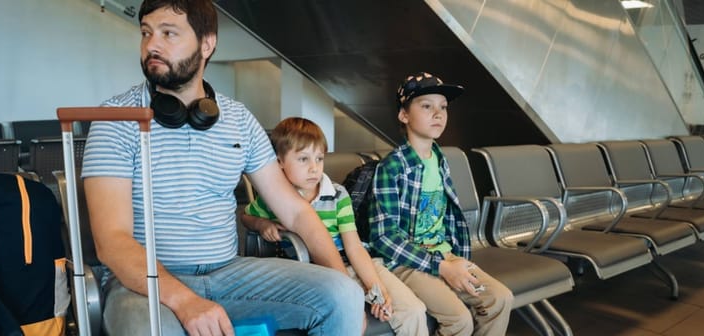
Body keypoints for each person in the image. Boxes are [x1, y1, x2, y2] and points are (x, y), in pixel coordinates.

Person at [80, 1, 364, 335]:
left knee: (343, 295)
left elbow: (297, 213)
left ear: (207, 43)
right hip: (145, 283)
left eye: (168, 33)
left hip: (230, 272)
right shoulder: (115, 119)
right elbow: (112, 241)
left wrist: (348, 289)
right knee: (148, 329)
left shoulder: (239, 120)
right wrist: (186, 302)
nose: (151, 45)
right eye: (146, 33)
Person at [242, 117, 430, 335]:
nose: (314, 168)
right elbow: (246, 217)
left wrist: (375, 289)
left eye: (319, 158)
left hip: (354, 263)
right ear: (279, 161)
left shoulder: (338, 194)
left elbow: (354, 248)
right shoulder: (273, 197)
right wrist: (261, 223)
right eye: (303, 159)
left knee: (414, 310)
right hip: (314, 274)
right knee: (347, 319)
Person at [368, 72, 514, 335]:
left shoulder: (439, 159)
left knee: (499, 299)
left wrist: (453, 262)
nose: (438, 113)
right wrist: (441, 267)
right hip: (408, 263)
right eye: (426, 106)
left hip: (445, 255)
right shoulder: (393, 167)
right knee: (459, 320)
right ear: (404, 115)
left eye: (443, 107)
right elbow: (384, 237)